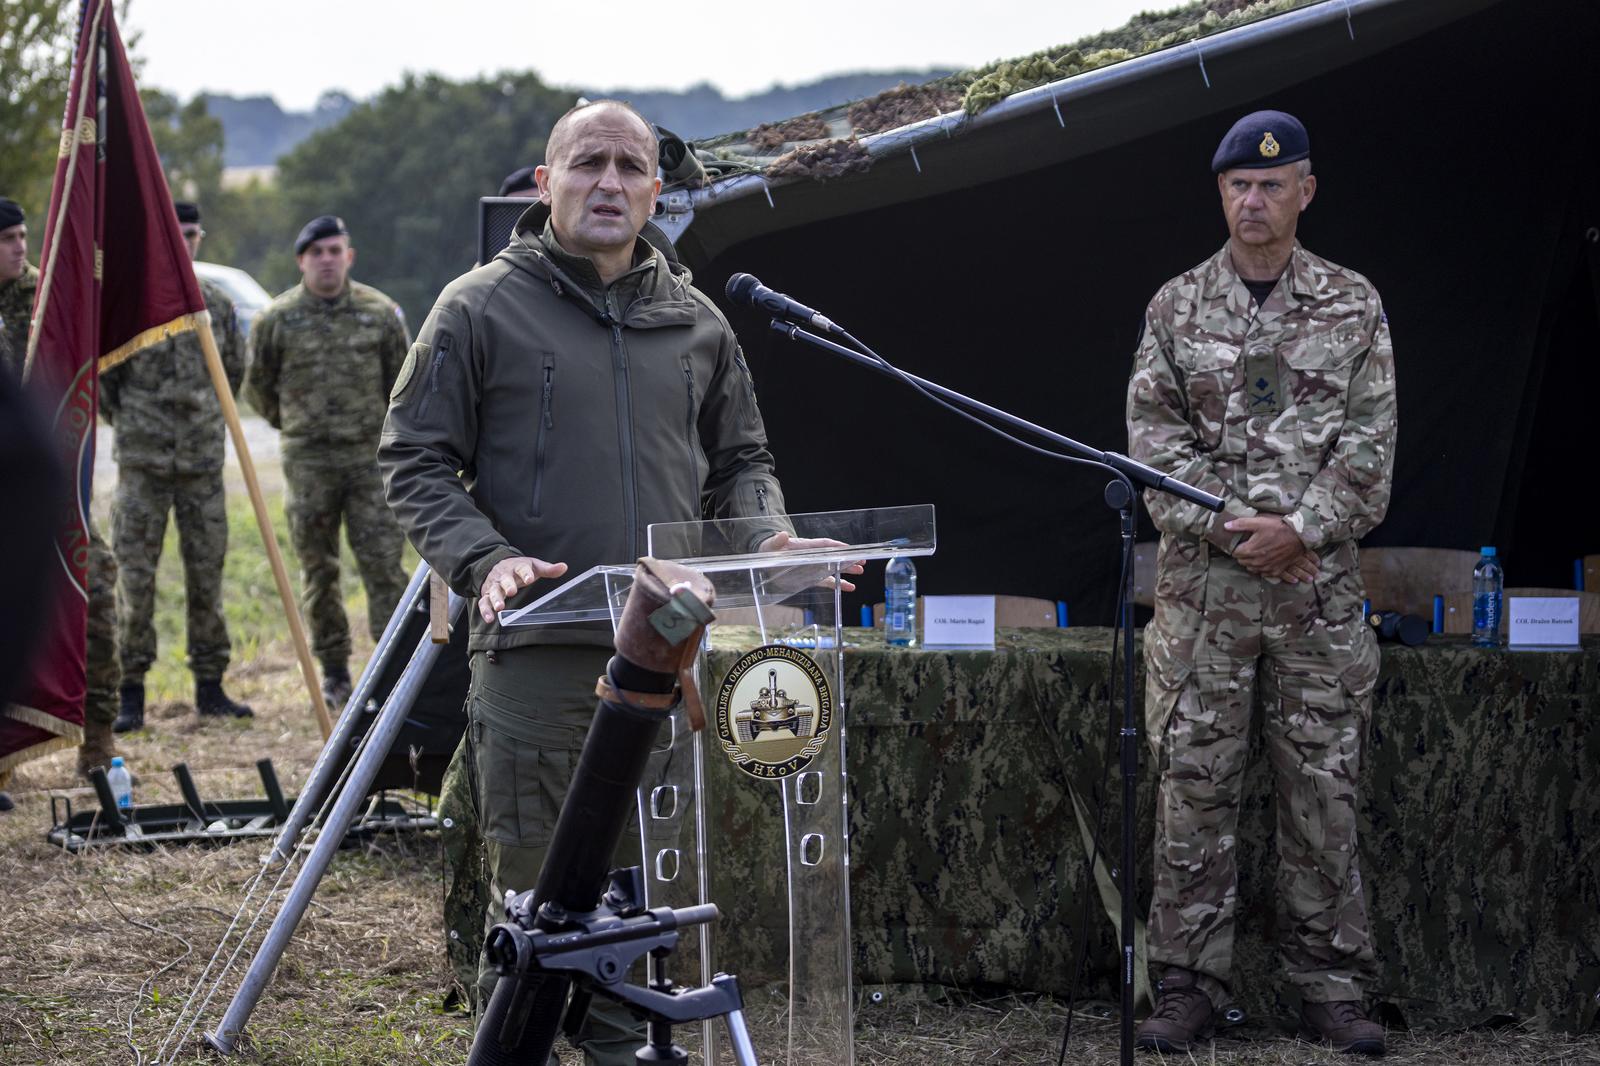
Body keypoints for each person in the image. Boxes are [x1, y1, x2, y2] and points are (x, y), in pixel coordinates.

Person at [379, 100, 853, 1063]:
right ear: (545, 182)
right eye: (587, 163)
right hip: (538, 654)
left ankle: (625, 1050)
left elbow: (742, 461)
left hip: (665, 654)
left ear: (657, 190)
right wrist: (485, 559)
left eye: (630, 167)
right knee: (541, 907)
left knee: (642, 898)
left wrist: (766, 537)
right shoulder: (478, 307)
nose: (609, 182)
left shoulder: (698, 322)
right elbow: (414, 459)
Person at [1126, 110, 1397, 1056]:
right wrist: (1236, 530)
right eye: (1239, 185)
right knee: (1193, 793)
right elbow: (1153, 448)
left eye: (1272, 185)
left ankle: (1333, 987)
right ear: (1220, 193)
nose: (1254, 199)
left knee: (1322, 794)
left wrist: (1301, 530)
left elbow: (1370, 449)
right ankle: (1187, 985)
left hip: (1316, 601)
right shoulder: (1176, 309)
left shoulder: (1353, 305)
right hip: (1205, 603)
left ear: (1304, 192)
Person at [246, 215, 411, 707]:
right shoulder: (276, 319)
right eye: (316, 253)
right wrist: (298, 426)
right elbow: (258, 388)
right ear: (301, 261)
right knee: (319, 570)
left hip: (369, 462)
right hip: (309, 464)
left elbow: (401, 385)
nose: (326, 260)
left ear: (349, 256)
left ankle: (393, 673)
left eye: (335, 251)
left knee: (384, 567)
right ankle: (335, 672)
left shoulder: (380, 313)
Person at [101, 201, 252, 731]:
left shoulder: (216, 304)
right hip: (142, 467)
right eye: (174, 233)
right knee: (134, 580)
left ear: (199, 238)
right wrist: (139, 426)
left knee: (206, 576)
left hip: (201, 466)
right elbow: (108, 381)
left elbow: (232, 374)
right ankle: (130, 693)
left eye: (190, 233)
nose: (183, 242)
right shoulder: (130, 303)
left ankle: (210, 687)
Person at [0, 196, 121, 784]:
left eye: (23, 236)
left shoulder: (49, 297)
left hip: (42, 488)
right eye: (7, 239)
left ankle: (97, 741)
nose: (20, 247)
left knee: (95, 586)